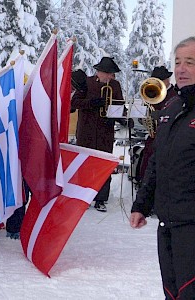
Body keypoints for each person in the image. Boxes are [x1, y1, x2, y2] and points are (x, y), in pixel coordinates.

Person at [130, 36, 195, 299]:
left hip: (192, 226)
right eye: (178, 62)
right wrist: (141, 205)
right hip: (168, 224)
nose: (181, 68)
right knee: (172, 292)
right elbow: (157, 161)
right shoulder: (171, 107)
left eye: (190, 62)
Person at [71, 57, 124, 212]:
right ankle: (84, 197)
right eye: (108, 73)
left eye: (112, 74)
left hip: (105, 131)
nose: (110, 77)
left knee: (104, 165)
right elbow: (74, 103)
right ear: (99, 71)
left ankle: (101, 199)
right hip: (86, 131)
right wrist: (92, 103)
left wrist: (123, 118)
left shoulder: (115, 85)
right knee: (85, 165)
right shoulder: (86, 82)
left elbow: (119, 104)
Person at [138, 66, 177, 183]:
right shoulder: (152, 92)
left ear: (167, 80)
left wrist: (160, 114)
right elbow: (146, 110)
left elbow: (176, 113)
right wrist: (144, 117)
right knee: (147, 160)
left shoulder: (175, 94)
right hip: (154, 136)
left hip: (169, 138)